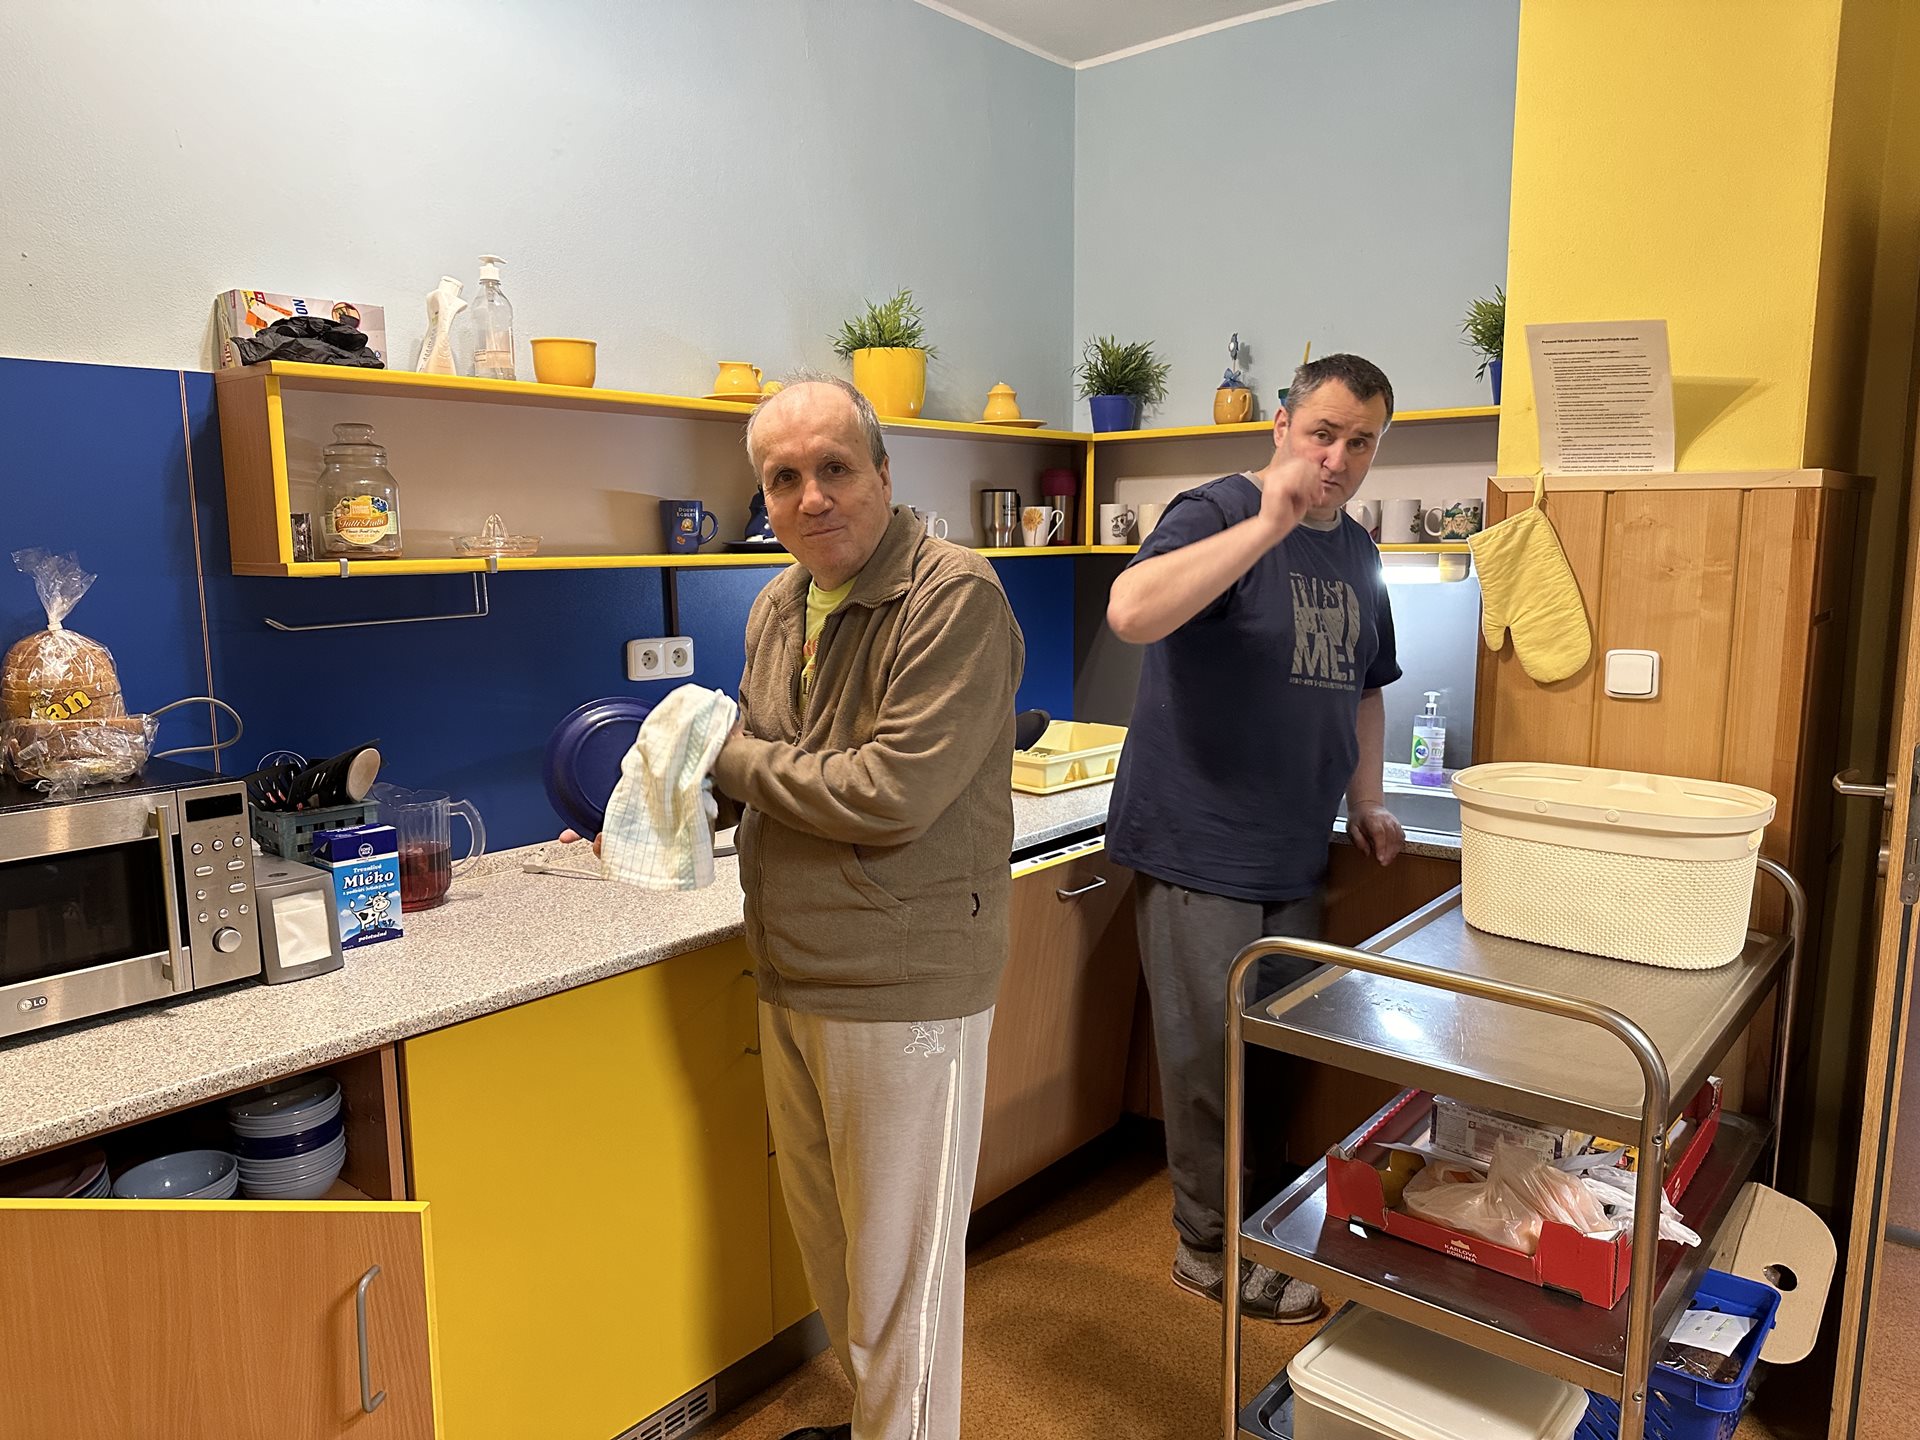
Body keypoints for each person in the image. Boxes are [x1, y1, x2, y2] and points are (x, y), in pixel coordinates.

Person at [714, 375, 1025, 1440]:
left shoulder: (953, 596)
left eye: (835, 468)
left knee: (902, 1281)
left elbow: (891, 794)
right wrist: (665, 795)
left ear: (885, 475)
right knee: (840, 1256)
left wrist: (725, 759)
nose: (811, 497)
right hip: (793, 965)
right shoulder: (778, 604)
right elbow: (769, 762)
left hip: (903, 979)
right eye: (783, 478)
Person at [1104, 352, 1407, 1323]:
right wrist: (1270, 523)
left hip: (1293, 848)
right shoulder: (1217, 510)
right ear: (1282, 426)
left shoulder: (1357, 551)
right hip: (1198, 845)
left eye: (1360, 442)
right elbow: (1131, 611)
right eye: (1322, 434)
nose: (1338, 458)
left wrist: (1368, 800)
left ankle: (1259, 1229)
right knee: (1206, 1065)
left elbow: (1365, 688)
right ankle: (1206, 1248)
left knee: (1273, 1056)